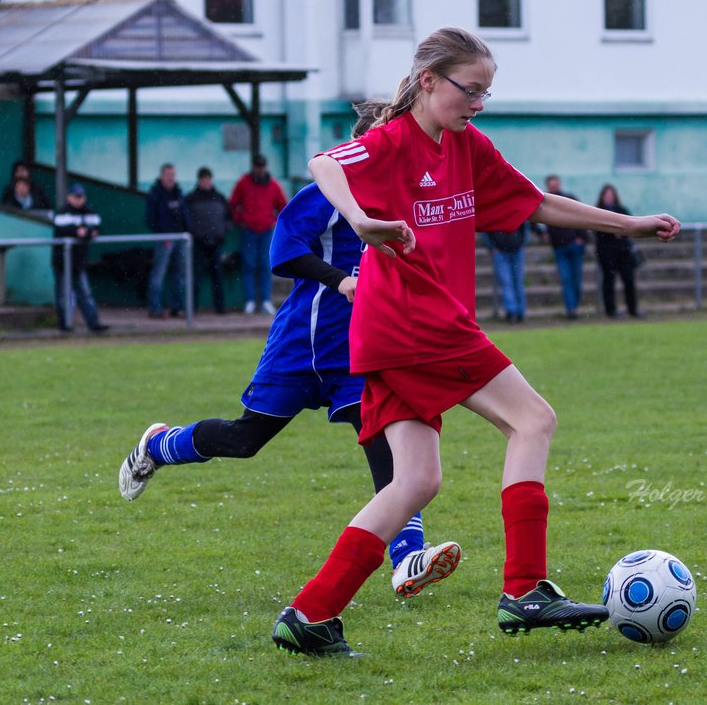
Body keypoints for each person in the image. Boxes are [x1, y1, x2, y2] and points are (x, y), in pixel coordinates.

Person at [271, 27, 680, 656]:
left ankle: (310, 614)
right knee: (533, 420)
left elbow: (535, 203)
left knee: (413, 483)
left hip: (395, 334)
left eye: (487, 93)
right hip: (419, 323)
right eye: (472, 90)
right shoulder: (389, 142)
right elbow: (326, 163)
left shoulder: (466, 146)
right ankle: (525, 589)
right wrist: (361, 221)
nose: (479, 103)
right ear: (429, 80)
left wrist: (628, 224)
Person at [118, 182, 461, 599]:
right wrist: (339, 281)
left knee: (385, 443)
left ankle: (407, 558)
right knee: (244, 440)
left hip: (358, 352)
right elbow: (284, 248)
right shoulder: (333, 189)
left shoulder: (405, 197)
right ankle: (158, 446)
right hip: (301, 344)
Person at [229, 153, 287, 315]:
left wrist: (273, 220)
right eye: (258, 166)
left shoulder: (273, 185)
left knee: (265, 266)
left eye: (262, 166)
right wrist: (241, 219)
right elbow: (233, 204)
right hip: (249, 230)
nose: (260, 169)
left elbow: (283, 205)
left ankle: (265, 300)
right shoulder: (243, 183)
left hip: (266, 230)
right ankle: (250, 301)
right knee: (248, 265)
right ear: (254, 167)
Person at [52, 183, 109, 333]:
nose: (79, 200)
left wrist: (86, 232)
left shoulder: (88, 212)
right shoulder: (62, 212)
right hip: (62, 262)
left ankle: (94, 324)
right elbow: (67, 229)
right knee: (64, 295)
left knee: (85, 294)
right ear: (69, 197)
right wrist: (82, 232)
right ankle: (64, 325)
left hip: (79, 262)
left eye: (81, 196)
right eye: (76, 196)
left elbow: (95, 228)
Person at [531, 175, 589, 319]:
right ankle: (571, 309)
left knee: (576, 279)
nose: (554, 188)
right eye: (551, 185)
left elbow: (583, 216)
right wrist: (541, 234)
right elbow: (531, 219)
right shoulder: (544, 201)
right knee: (566, 279)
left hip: (575, 245)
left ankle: (574, 305)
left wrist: (582, 238)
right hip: (559, 248)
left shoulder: (569, 198)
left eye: (556, 185)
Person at [185, 167, 232, 315]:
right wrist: (196, 233)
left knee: (217, 277)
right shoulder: (190, 198)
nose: (206, 181)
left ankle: (220, 308)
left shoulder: (219, 197)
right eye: (204, 178)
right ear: (199, 180)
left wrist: (222, 230)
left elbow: (228, 218)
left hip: (216, 242)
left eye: (208, 178)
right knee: (196, 276)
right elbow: (186, 220)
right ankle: (192, 309)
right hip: (198, 243)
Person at [145, 163, 190, 319]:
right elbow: (150, 219)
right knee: (158, 274)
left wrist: (186, 231)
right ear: (162, 175)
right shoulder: (155, 194)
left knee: (179, 275)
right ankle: (154, 308)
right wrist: (162, 234)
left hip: (180, 238)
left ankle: (176, 308)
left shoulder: (178, 192)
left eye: (173, 174)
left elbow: (185, 215)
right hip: (164, 239)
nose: (171, 178)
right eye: (168, 174)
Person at [594, 184, 641, 318]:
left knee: (629, 279)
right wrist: (611, 232)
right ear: (602, 197)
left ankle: (632, 308)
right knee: (609, 280)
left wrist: (623, 233)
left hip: (623, 251)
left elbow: (632, 225)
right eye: (606, 195)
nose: (609, 197)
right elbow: (597, 232)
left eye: (611, 194)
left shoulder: (622, 210)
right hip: (607, 252)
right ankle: (611, 310)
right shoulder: (598, 212)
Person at [484, 225, 527, 323]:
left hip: (516, 249)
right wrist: (492, 247)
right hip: (500, 251)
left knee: (518, 282)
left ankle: (520, 312)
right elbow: (486, 231)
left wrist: (522, 243)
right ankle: (511, 311)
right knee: (506, 282)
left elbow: (525, 228)